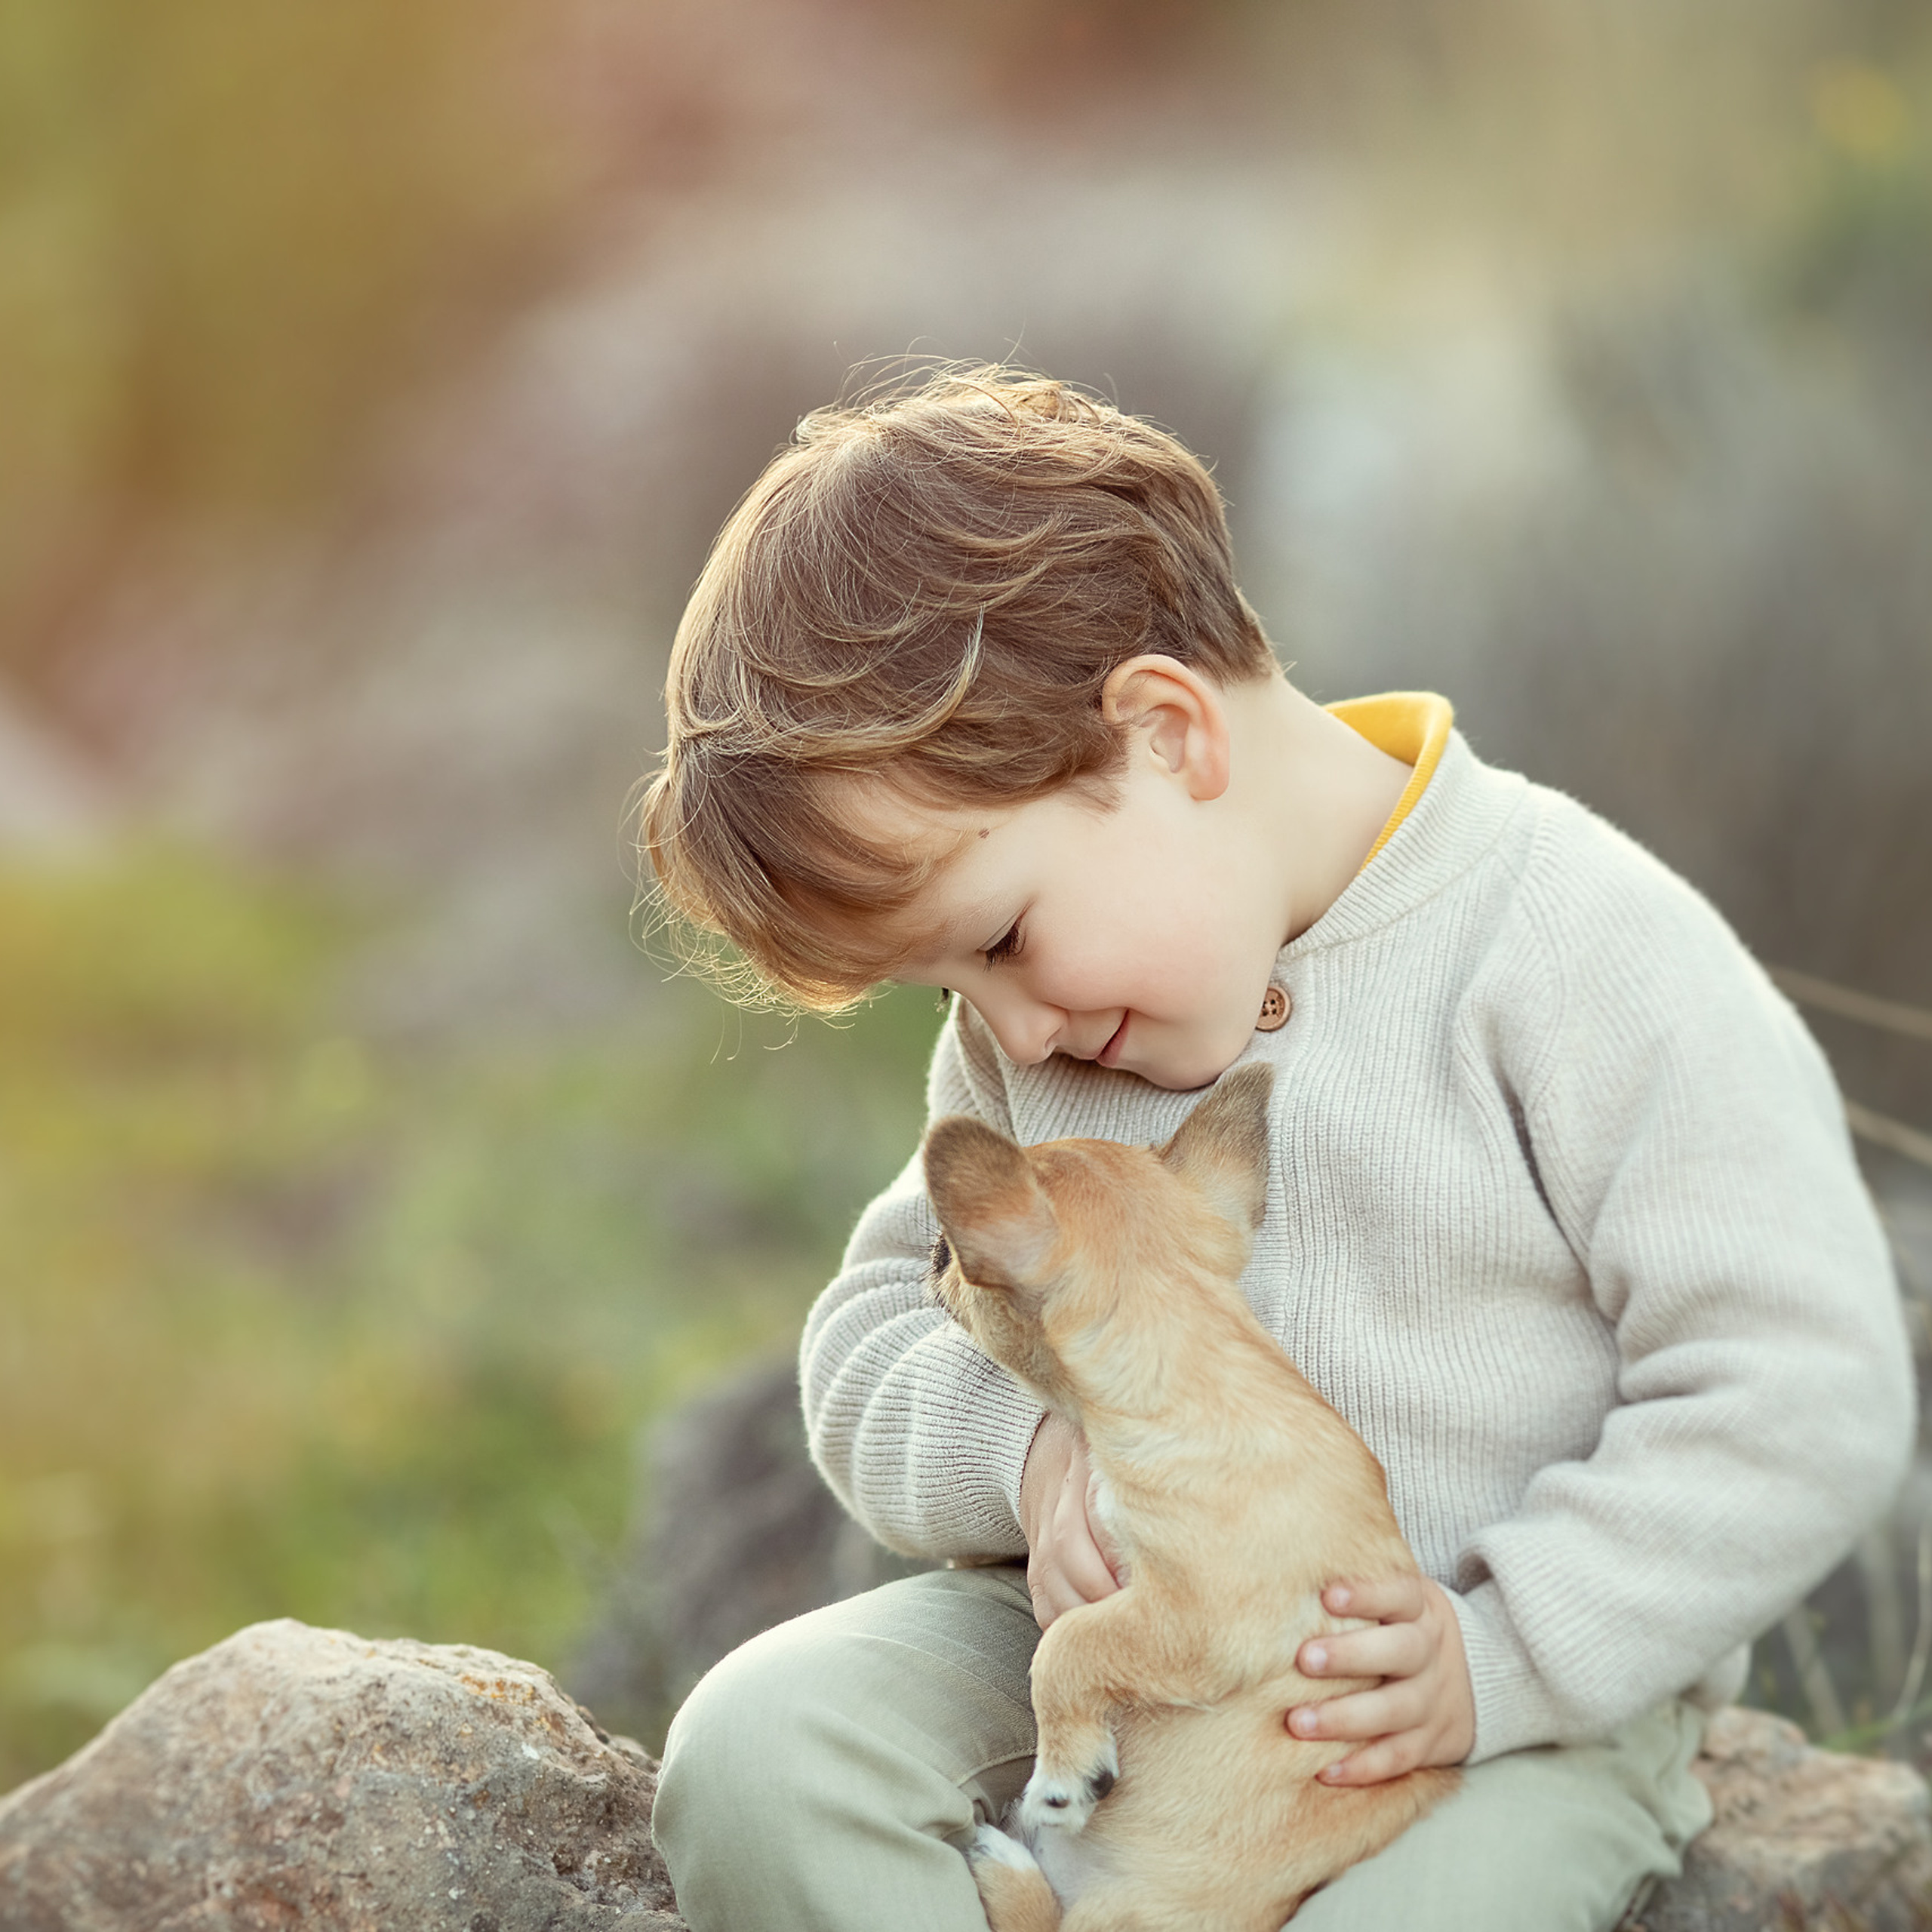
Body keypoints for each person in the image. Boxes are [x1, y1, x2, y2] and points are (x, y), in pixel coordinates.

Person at [635, 366, 1914, 1931]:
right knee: (761, 1757)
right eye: (952, 987)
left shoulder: (1576, 949)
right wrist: (1025, 1460)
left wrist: (1506, 1651)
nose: (1006, 1030)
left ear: (1166, 733)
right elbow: (866, 1329)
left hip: (1456, 1712)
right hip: (1120, 1655)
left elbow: (1804, 1375)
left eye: (1005, 937)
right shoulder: (1041, 1033)